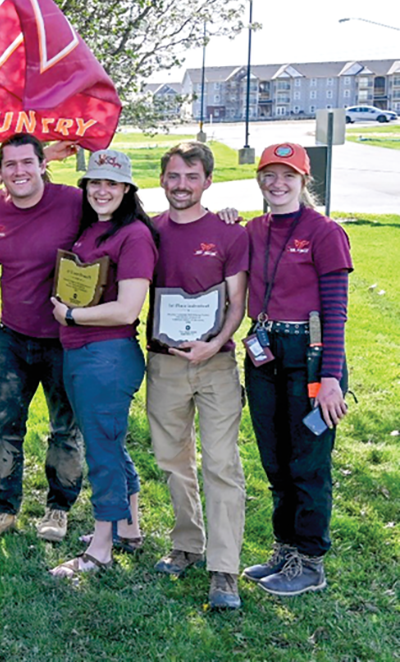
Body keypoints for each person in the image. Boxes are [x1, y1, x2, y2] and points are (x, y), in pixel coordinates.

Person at [241, 143, 351, 596]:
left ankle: (310, 560)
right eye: (269, 174)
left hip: (310, 353)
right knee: (275, 456)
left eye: (288, 175)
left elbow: (336, 310)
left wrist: (329, 380)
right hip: (264, 351)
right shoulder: (252, 229)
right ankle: (285, 548)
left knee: (308, 460)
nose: (277, 183)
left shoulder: (325, 232)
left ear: (305, 181)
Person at [145, 141, 249, 609]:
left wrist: (215, 341)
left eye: (191, 177)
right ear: (163, 180)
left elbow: (238, 302)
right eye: (173, 176)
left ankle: (224, 570)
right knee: (172, 459)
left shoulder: (229, 232)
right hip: (165, 362)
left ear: (207, 181)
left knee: (221, 464)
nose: (181, 185)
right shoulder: (148, 231)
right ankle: (187, 542)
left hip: (216, 362)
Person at [49, 149, 157, 578]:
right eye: (95, 182)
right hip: (81, 354)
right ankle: (127, 527)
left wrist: (72, 316)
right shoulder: (90, 231)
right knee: (108, 443)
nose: (102, 190)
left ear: (127, 189)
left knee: (102, 452)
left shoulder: (134, 235)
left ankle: (101, 548)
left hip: (106, 356)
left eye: (112, 183)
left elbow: (128, 308)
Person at [0, 133, 85, 545]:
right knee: (4, 427)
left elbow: (127, 222)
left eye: (27, 162)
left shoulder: (74, 202)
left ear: (43, 164)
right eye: (10, 165)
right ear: (0, 172)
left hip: (65, 337)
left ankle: (59, 508)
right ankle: (3, 508)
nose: (19, 171)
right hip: (13, 338)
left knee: (65, 428)